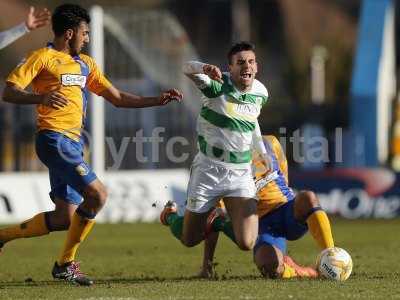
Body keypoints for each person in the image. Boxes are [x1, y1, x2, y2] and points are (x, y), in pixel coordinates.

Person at [0, 4, 182, 286]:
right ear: (70, 33)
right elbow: (9, 92)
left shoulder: (86, 64)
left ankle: (3, 236)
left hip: (72, 143)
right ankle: (65, 264)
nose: (87, 38)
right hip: (52, 138)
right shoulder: (41, 58)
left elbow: (118, 97)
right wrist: (41, 99)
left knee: (64, 218)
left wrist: (156, 100)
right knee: (97, 195)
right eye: (84, 33)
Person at [161, 135, 335, 279]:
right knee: (269, 266)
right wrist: (207, 265)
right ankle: (307, 271)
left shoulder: (270, 143)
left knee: (308, 197)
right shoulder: (218, 165)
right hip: (260, 226)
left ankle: (332, 255)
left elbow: (283, 176)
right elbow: (214, 218)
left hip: (285, 210)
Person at [161, 41, 270, 256]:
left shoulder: (261, 92)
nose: (246, 66)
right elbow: (186, 68)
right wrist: (204, 68)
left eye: (250, 62)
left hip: (240, 172)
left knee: (247, 242)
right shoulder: (217, 86)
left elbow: (252, 120)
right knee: (189, 239)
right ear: (230, 68)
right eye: (240, 63)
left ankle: (217, 220)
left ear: (256, 67)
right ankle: (170, 216)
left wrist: (263, 152)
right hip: (209, 170)